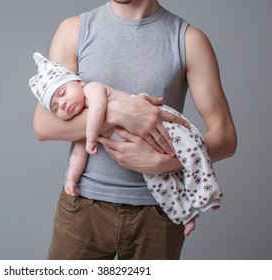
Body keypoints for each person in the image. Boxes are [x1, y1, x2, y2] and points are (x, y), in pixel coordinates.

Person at [33, 0, 237, 260]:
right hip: (83, 207)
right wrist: (121, 113)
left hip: (160, 211)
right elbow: (43, 125)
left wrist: (165, 163)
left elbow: (226, 137)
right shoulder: (74, 30)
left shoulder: (188, 40)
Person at [29, 52, 222, 237]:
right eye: (55, 107)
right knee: (161, 185)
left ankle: (207, 193)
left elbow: (98, 109)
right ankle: (187, 214)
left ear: (78, 82)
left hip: (159, 124)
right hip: (144, 155)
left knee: (191, 149)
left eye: (63, 93)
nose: (62, 103)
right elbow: (78, 155)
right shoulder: (82, 125)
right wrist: (71, 179)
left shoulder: (92, 89)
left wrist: (90, 139)